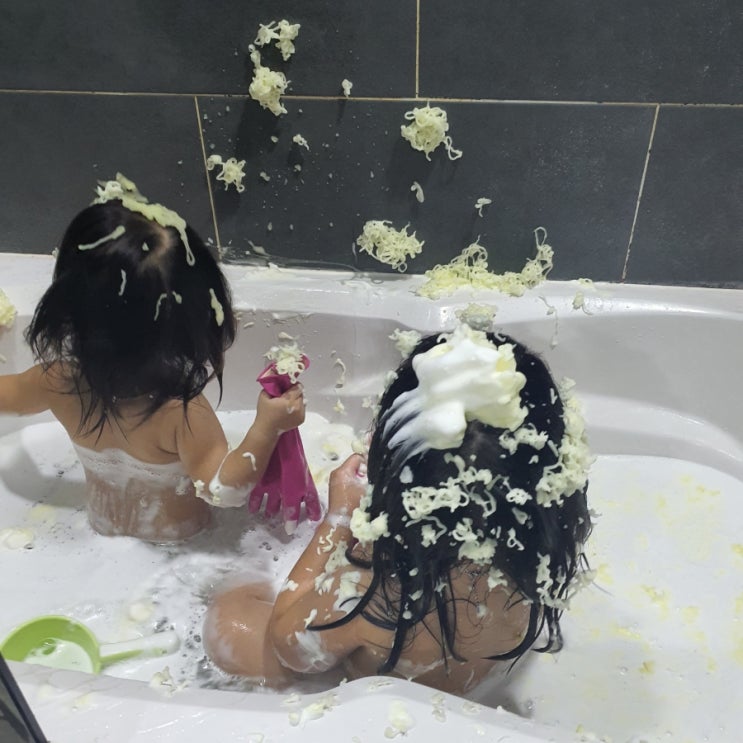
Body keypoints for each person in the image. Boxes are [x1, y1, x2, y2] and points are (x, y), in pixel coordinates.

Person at [203, 324, 593, 694]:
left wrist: (339, 517)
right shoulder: (542, 552)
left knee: (233, 623)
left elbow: (289, 645)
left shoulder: (373, 592)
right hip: (459, 688)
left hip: (374, 697)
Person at [0, 174, 305, 542]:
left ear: (69, 311)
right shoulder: (181, 413)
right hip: (181, 545)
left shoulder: (56, 382)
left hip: (100, 535)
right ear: (192, 324)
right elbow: (223, 489)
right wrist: (267, 428)